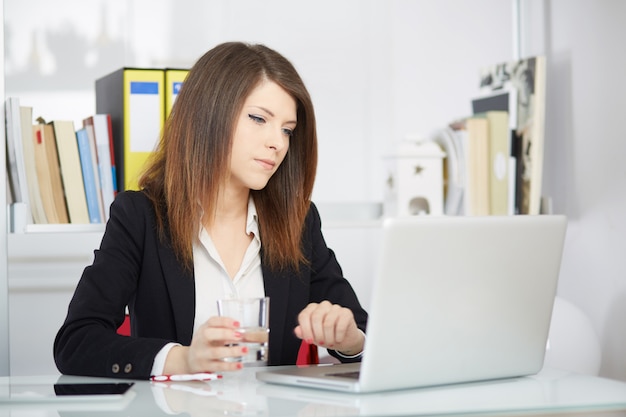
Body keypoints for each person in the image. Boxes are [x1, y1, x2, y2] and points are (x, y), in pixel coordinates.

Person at [54, 42, 368, 380]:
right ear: (209, 114)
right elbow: (76, 342)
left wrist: (350, 340)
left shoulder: (299, 221)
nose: (277, 142)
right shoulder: (139, 216)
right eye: (259, 118)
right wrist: (183, 360)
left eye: (287, 130)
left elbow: (361, 330)